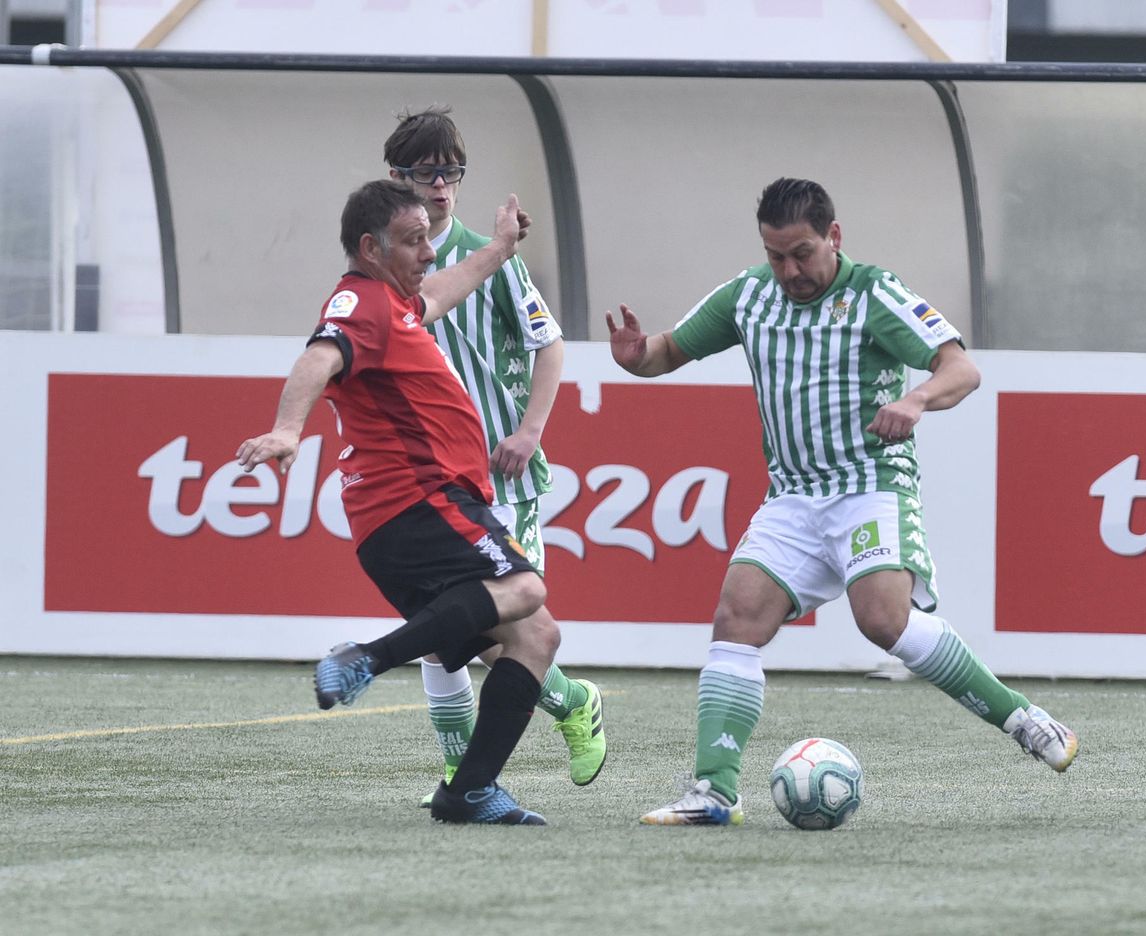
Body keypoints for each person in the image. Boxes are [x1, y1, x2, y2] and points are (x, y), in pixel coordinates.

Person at [608, 177, 1079, 826]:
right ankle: (714, 794)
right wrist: (638, 358)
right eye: (776, 256)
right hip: (794, 500)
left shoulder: (874, 293)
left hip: (869, 487)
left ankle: (1024, 721)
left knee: (883, 622)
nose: (790, 270)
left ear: (834, 237)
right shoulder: (748, 296)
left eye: (802, 253)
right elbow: (666, 351)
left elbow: (960, 369)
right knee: (736, 620)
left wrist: (914, 400)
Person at [237, 180, 558, 825]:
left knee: (536, 638)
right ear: (369, 247)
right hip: (416, 500)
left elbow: (445, 288)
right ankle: (368, 659)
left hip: (405, 515)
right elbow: (318, 357)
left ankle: (466, 792)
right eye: (413, 242)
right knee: (525, 590)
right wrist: (287, 429)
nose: (428, 254)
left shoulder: (396, 301)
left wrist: (498, 247)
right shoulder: (360, 301)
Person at [383, 106, 604, 801]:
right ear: (398, 178)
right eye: (427, 173)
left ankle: (569, 704)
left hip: (501, 479)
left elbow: (551, 343)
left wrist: (531, 430)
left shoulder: (492, 257)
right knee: (437, 632)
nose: (442, 186)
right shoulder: (383, 271)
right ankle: (466, 767)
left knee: (495, 624)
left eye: (451, 173)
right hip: (432, 482)